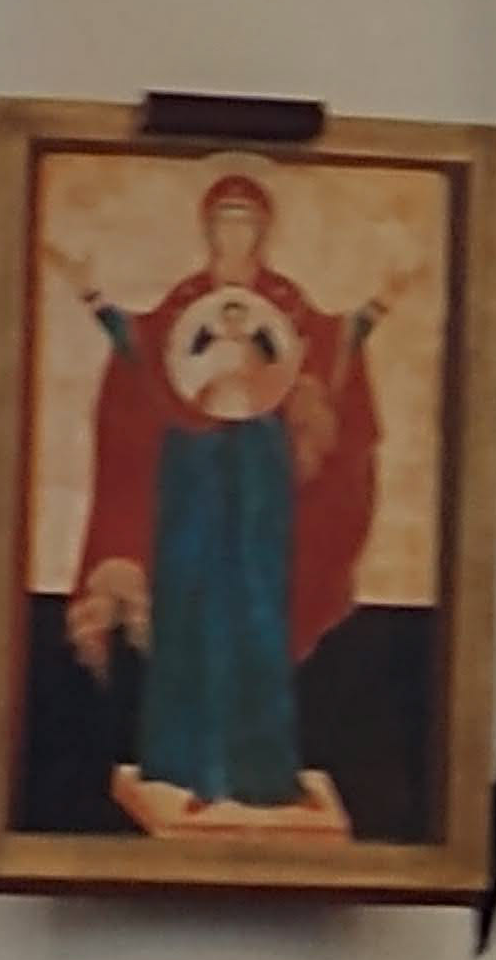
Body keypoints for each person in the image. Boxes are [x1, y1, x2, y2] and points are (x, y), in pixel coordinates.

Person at [46, 174, 400, 829]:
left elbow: (325, 351)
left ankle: (262, 774)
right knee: (191, 608)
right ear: (208, 228)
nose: (234, 233)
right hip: (193, 470)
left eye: (245, 221)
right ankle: (190, 769)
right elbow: (144, 354)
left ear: (262, 230)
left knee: (258, 615)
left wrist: (375, 309)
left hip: (261, 473)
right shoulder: (187, 301)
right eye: (224, 220)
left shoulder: (282, 302)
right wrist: (92, 295)